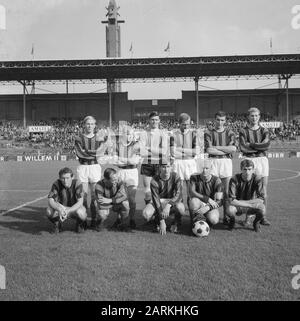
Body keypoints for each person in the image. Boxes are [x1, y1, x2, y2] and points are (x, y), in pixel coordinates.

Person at [239, 107, 271, 226]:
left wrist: (251, 144)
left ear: (259, 117)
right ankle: (248, 218)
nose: (254, 118)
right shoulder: (243, 131)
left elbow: (266, 145)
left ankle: (263, 216)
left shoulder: (264, 130)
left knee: (263, 190)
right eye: (252, 116)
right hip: (249, 159)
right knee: (249, 191)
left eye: (256, 115)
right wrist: (258, 145)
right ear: (248, 117)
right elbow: (243, 147)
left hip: (262, 159)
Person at [204, 111, 236, 224]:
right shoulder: (208, 133)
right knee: (213, 191)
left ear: (225, 121)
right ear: (214, 120)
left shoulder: (230, 132)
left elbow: (233, 149)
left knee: (227, 192)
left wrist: (216, 147)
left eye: (222, 120)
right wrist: (224, 149)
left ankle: (226, 216)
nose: (220, 122)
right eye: (218, 119)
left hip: (226, 162)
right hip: (213, 161)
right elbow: (209, 150)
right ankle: (213, 214)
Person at [74, 116, 106, 229]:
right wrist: (94, 152)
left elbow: (100, 153)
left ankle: (93, 220)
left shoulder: (99, 138)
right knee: (83, 195)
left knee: (95, 196)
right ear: (84, 125)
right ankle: (82, 221)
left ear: (95, 125)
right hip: (83, 167)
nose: (90, 126)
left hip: (95, 167)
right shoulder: (78, 138)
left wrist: (86, 151)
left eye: (92, 124)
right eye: (88, 124)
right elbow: (80, 154)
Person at [109, 123, 141, 229]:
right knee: (119, 197)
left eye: (131, 134)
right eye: (127, 134)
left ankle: (131, 219)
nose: (129, 136)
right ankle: (119, 219)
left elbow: (135, 161)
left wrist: (122, 160)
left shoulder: (136, 145)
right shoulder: (118, 145)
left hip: (132, 172)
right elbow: (114, 161)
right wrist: (128, 161)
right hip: (120, 172)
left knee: (131, 199)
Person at [142, 159, 185, 235]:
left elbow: (178, 195)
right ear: (159, 168)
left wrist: (168, 205)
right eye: (163, 167)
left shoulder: (176, 176)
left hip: (172, 201)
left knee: (181, 208)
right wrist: (162, 221)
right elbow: (156, 200)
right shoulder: (154, 180)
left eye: (168, 167)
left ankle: (176, 222)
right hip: (159, 201)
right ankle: (157, 220)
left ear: (171, 167)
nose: (166, 170)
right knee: (146, 214)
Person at [226, 159, 266, 232]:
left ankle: (256, 223)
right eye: (245, 169)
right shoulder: (234, 179)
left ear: (253, 170)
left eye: (249, 169)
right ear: (241, 169)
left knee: (262, 209)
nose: (247, 172)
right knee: (230, 210)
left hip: (245, 203)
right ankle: (232, 222)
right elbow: (231, 200)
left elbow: (261, 199)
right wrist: (249, 205)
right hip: (239, 205)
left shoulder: (257, 179)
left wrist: (246, 203)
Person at [139, 112, 170, 205]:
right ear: (149, 120)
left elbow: (164, 151)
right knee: (147, 191)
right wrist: (157, 151)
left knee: (160, 190)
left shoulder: (163, 133)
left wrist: (148, 148)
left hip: (160, 164)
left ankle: (158, 213)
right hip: (147, 163)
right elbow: (142, 152)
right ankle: (150, 215)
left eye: (156, 119)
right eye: (152, 119)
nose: (154, 121)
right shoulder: (144, 133)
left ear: (159, 121)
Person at [46, 167, 87, 234]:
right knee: (49, 211)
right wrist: (59, 209)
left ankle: (79, 224)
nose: (65, 181)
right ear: (59, 178)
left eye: (67, 178)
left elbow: (80, 202)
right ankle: (57, 224)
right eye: (63, 178)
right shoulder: (56, 184)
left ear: (72, 177)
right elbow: (50, 200)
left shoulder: (77, 183)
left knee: (81, 213)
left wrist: (69, 210)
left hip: (75, 208)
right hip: (61, 207)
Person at [171, 113, 199, 201]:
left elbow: (196, 152)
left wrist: (180, 149)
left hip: (190, 163)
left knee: (191, 190)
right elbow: (173, 152)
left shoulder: (194, 134)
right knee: (178, 190)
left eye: (188, 124)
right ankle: (179, 211)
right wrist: (189, 151)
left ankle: (192, 212)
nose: (186, 126)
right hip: (178, 163)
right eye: (184, 124)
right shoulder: (173, 135)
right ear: (179, 123)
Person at [189, 160, 223, 229]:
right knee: (193, 201)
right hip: (198, 203)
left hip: (210, 205)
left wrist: (208, 207)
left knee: (214, 219)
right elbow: (192, 192)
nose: (204, 170)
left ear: (211, 169)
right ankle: (196, 223)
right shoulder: (194, 177)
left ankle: (206, 222)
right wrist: (207, 199)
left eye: (207, 168)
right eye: (202, 168)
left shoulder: (217, 180)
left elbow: (220, 201)